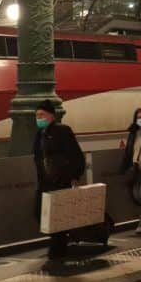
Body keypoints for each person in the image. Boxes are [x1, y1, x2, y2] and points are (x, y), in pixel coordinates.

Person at [33, 100, 85, 258]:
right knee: (38, 211)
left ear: (51, 116)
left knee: (57, 214)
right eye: (36, 115)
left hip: (60, 180)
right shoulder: (39, 134)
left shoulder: (62, 131)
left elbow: (76, 155)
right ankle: (60, 241)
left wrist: (75, 175)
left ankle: (58, 248)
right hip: (45, 181)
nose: (38, 118)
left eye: (42, 115)